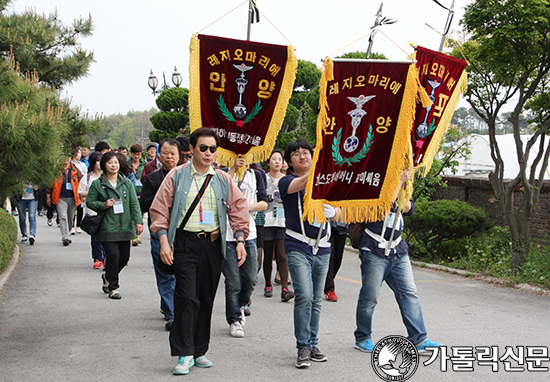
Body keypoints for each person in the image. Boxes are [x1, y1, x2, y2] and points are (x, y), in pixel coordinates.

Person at [149, 127, 249, 375]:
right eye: (203, 148)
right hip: (184, 244)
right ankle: (184, 353)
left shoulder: (223, 179)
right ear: (191, 149)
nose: (208, 153)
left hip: (213, 245)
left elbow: (238, 209)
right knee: (187, 297)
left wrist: (239, 239)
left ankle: (199, 350)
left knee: (205, 298)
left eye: (212, 149)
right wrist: (163, 241)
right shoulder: (176, 176)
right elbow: (159, 211)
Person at [354, 168, 442, 355]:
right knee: (370, 296)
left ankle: (419, 338)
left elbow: (409, 208)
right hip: (374, 248)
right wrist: (398, 183)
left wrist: (403, 190)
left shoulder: (401, 183)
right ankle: (362, 337)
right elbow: (380, 208)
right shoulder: (371, 179)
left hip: (398, 249)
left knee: (409, 293)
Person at [280, 139, 337, 368]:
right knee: (304, 295)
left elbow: (342, 211)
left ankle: (313, 342)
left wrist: (335, 212)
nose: (302, 156)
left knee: (316, 299)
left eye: (306, 152)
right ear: (290, 162)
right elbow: (303, 182)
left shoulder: (326, 183)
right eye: (296, 154)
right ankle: (302, 345)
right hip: (297, 244)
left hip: (323, 246)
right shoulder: (287, 181)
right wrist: (321, 167)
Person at [86, 151, 143, 299]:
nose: (113, 165)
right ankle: (113, 287)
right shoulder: (98, 184)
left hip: (125, 225)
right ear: (104, 164)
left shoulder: (127, 183)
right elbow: (90, 202)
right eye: (110, 162)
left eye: (116, 162)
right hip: (107, 226)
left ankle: (108, 276)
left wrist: (138, 221)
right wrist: (103, 204)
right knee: (113, 256)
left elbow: (134, 204)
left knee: (124, 258)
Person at [222, 154, 268, 338]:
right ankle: (234, 320)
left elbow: (264, 203)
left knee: (251, 277)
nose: (242, 159)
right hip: (226, 234)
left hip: (250, 233)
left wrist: (243, 208)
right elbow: (221, 195)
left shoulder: (257, 175)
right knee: (233, 280)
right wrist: (232, 168)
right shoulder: (223, 174)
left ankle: (241, 304)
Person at [140, 139, 181, 331]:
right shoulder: (153, 178)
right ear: (159, 155)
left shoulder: (186, 177)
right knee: (164, 271)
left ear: (179, 155)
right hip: (159, 230)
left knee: (181, 272)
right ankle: (172, 313)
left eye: (173, 153)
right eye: (165, 153)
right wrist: (162, 195)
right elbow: (144, 204)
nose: (169, 156)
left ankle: (169, 305)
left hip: (182, 230)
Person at [263, 150, 294, 302]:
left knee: (282, 255)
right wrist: (271, 192)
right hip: (267, 221)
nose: (277, 162)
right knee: (268, 255)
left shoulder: (287, 179)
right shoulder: (263, 178)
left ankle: (284, 289)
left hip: (282, 222)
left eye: (279, 159)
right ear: (268, 162)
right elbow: (262, 198)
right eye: (273, 159)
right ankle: (268, 284)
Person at [78, 152, 106, 269]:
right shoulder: (88, 177)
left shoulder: (107, 176)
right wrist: (93, 194)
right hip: (92, 209)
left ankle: (106, 257)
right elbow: (80, 192)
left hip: (105, 208)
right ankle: (97, 258)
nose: (99, 163)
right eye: (98, 161)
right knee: (95, 235)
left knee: (106, 234)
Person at [51, 156, 83, 246]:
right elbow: (50, 183)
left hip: (72, 197)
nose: (65, 160)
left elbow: (81, 181)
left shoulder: (75, 170)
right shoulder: (56, 170)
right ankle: (65, 237)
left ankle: (67, 232)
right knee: (62, 216)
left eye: (67, 158)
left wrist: (81, 194)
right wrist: (48, 195)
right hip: (60, 196)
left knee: (70, 217)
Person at [324, 220, 348, 302]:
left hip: (341, 223)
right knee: (330, 256)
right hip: (326, 224)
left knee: (338, 257)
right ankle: (329, 288)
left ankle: (326, 281)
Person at [71, 148, 87, 235]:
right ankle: (72, 226)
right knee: (73, 207)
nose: (79, 155)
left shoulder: (83, 165)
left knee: (80, 207)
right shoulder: (70, 164)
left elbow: (86, 175)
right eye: (78, 153)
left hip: (81, 186)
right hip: (73, 186)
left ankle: (78, 225)